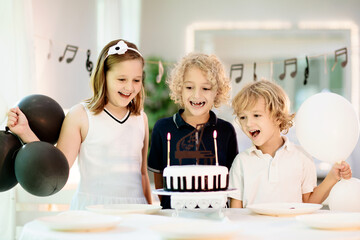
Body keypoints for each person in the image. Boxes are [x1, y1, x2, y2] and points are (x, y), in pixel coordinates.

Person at [7, 39, 152, 209]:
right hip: (92, 210)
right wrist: (25, 132)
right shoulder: (81, 115)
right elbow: (56, 167)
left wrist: (151, 214)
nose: (129, 87)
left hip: (136, 211)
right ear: (103, 76)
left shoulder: (141, 118)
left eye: (136, 80)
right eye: (121, 79)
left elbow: (142, 174)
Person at [229, 80, 352, 208]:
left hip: (293, 228)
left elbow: (309, 204)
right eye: (243, 117)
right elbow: (236, 212)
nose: (248, 123)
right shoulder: (241, 162)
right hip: (253, 228)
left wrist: (332, 177)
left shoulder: (302, 157)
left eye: (256, 115)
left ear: (278, 117)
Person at [148, 52, 239, 209]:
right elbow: (159, 177)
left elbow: (232, 176)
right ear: (179, 89)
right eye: (189, 87)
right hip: (174, 216)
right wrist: (167, 204)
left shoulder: (226, 131)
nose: (197, 95)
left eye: (206, 88)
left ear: (217, 92)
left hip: (216, 215)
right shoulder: (163, 128)